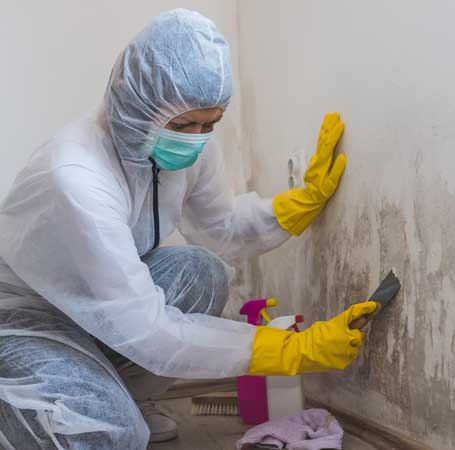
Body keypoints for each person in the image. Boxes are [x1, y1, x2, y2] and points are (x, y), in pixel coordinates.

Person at [0, 9, 376, 449]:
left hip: (100, 309)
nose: (196, 139)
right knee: (107, 434)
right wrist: (289, 349)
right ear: (130, 97)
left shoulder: (188, 147)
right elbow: (147, 330)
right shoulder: (76, 175)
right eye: (182, 126)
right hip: (27, 318)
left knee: (202, 272)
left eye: (209, 124)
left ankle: (123, 396)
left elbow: (222, 228)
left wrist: (297, 205)